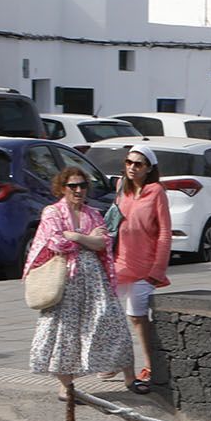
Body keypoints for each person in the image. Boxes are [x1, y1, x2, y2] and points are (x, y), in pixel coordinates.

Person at [26, 163, 127, 403]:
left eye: (82, 185)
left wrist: (74, 236)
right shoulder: (52, 212)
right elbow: (56, 243)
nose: (78, 190)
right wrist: (86, 239)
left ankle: (113, 370)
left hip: (93, 282)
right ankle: (65, 386)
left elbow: (104, 242)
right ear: (62, 188)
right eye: (73, 186)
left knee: (109, 320)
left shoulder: (93, 213)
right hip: (65, 281)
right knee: (64, 332)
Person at [107, 144, 172, 394]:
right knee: (108, 314)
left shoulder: (156, 191)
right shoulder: (120, 188)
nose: (132, 168)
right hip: (119, 263)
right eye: (129, 162)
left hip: (144, 265)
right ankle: (113, 360)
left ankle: (149, 364)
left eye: (139, 164)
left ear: (149, 169)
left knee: (137, 317)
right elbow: (112, 224)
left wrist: (158, 269)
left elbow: (165, 232)